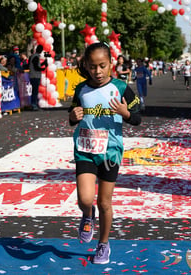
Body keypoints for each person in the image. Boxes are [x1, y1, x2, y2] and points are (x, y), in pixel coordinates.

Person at [68, 42, 141, 265]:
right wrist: (73, 117)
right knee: (85, 199)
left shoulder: (121, 87)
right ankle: (87, 215)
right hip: (85, 149)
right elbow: (72, 117)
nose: (97, 71)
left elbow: (137, 118)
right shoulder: (80, 89)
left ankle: (103, 244)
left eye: (102, 66)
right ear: (86, 66)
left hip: (110, 151)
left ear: (111, 64)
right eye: (92, 67)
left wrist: (125, 112)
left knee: (104, 202)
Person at [28, 44, 48, 111]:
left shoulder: (33, 56)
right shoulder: (36, 57)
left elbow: (34, 65)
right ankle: (34, 105)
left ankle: (35, 104)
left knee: (35, 91)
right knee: (35, 91)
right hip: (35, 76)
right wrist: (43, 69)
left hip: (33, 75)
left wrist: (42, 64)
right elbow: (36, 67)